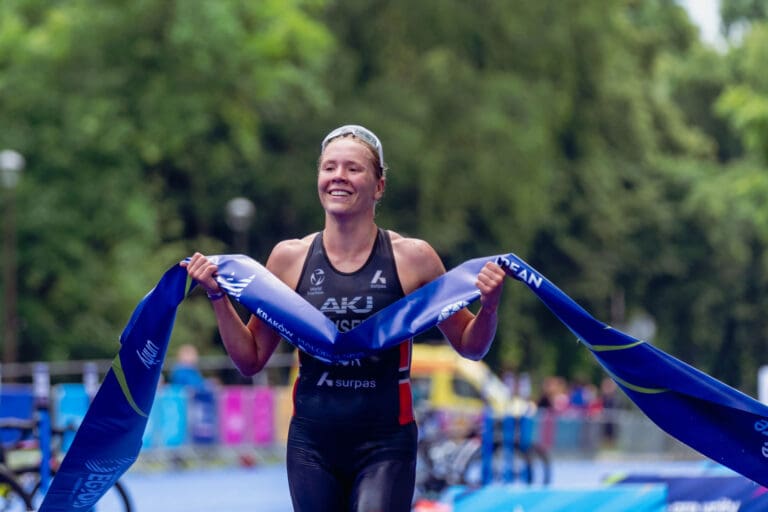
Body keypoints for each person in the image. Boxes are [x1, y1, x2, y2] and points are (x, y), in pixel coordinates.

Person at [181, 124, 507, 512]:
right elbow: (250, 359)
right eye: (329, 167)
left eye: (353, 169)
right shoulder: (289, 259)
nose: (339, 177)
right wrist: (218, 297)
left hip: (385, 442)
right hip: (312, 444)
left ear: (379, 185)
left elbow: (469, 346)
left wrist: (488, 306)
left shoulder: (412, 259)